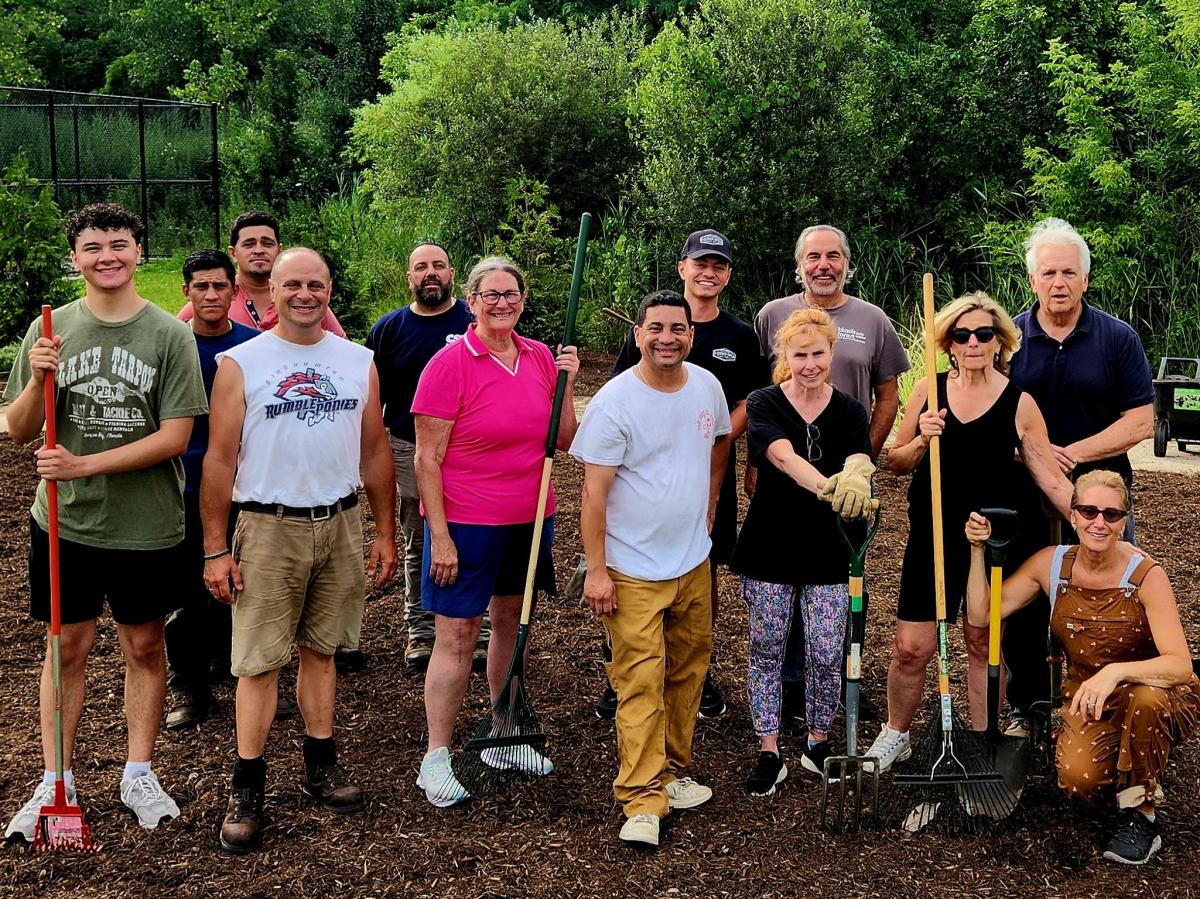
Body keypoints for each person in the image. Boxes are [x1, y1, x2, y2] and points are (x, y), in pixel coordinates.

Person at [4, 203, 207, 842]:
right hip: (66, 525)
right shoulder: (52, 330)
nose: (107, 256)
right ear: (75, 259)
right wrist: (41, 379)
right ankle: (54, 781)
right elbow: (16, 430)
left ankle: (138, 771)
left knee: (144, 647)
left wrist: (83, 462)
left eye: (119, 244)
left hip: (146, 525)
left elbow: (176, 436)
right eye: (92, 247)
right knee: (66, 648)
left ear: (139, 252)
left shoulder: (169, 337)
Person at [203, 247, 397, 854]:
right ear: (270, 291)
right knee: (259, 661)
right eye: (293, 285)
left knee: (323, 650)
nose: (305, 294)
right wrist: (215, 547)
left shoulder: (357, 361)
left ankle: (321, 764)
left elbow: (373, 451)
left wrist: (385, 531)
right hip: (267, 525)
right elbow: (219, 458)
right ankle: (248, 783)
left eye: (316, 284)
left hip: (338, 523)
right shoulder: (242, 363)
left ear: (330, 289)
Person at [866, 291, 1074, 771]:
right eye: (962, 335)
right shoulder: (928, 391)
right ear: (949, 344)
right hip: (933, 536)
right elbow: (894, 462)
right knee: (911, 646)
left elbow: (1048, 476)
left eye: (984, 333)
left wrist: (1092, 522)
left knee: (982, 641)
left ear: (1000, 341)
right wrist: (923, 436)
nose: (974, 342)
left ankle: (982, 740)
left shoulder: (1020, 402)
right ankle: (896, 733)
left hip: (994, 541)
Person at [965, 470, 1200, 865]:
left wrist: (1115, 672)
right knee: (1079, 781)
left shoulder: (1145, 576)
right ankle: (1132, 771)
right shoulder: (1052, 566)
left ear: (1124, 522)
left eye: (1111, 514)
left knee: (1146, 702)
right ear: (1072, 515)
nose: (1099, 522)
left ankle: (1141, 815)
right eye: (1089, 511)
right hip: (1089, 699)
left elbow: (1179, 664)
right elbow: (983, 613)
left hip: (1154, 692)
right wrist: (977, 551)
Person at [412, 256, 578, 807]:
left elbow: (563, 441)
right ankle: (436, 756)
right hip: (466, 521)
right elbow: (426, 460)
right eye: (491, 294)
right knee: (457, 636)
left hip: (530, 519)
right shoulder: (449, 363)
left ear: (523, 300)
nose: (502, 302)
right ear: (473, 299)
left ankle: (505, 731)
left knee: (513, 624)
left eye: (512, 294)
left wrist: (568, 383)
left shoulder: (538, 359)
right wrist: (440, 534)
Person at [571, 290, 732, 847]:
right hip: (633, 567)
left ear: (692, 334)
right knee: (639, 681)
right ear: (638, 335)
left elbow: (719, 443)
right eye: (656, 328)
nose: (668, 337)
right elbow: (593, 496)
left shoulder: (707, 386)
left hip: (692, 561)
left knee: (688, 672)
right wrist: (597, 570)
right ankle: (641, 797)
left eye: (678, 328)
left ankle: (674, 769)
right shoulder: (616, 402)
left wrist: (709, 505)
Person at [604, 228, 767, 719]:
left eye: (718, 265)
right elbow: (620, 394)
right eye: (701, 263)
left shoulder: (739, 336)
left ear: (728, 275)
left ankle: (696, 671)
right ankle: (624, 670)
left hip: (708, 469)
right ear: (683, 268)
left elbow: (749, 401)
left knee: (704, 566)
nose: (708, 272)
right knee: (629, 569)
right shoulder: (653, 326)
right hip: (643, 477)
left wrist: (719, 434)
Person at [1003, 217, 1156, 733]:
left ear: (1086, 279)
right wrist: (1037, 456)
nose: (1059, 283)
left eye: (1069, 272)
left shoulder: (1117, 338)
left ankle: (1107, 703)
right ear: (1032, 280)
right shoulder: (1009, 341)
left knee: (1112, 598)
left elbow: (1140, 420)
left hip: (1102, 495)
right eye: (1048, 273)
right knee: (1023, 602)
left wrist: (1070, 452)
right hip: (1023, 490)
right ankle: (1027, 707)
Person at [754, 225, 910, 722]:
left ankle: (841, 683)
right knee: (779, 591)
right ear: (799, 264)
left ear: (847, 263)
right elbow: (762, 398)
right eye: (814, 256)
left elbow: (888, 396)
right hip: (785, 480)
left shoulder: (873, 320)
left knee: (835, 588)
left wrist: (859, 465)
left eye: (834, 256)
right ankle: (790, 690)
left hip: (847, 481)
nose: (824, 264)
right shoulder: (771, 316)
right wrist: (756, 468)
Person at [730, 309, 876, 793]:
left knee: (826, 650)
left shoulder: (852, 410)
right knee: (767, 649)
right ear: (784, 356)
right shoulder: (763, 402)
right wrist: (830, 487)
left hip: (831, 549)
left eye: (818, 354)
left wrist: (857, 473)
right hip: (771, 542)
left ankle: (816, 740)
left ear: (832, 353)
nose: (809, 364)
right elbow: (782, 456)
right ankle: (768, 749)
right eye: (799, 354)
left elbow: (859, 452)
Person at [366, 242, 489, 672]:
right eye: (421, 267)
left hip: (471, 448)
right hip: (409, 448)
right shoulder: (388, 330)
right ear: (409, 277)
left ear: (452, 273)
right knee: (421, 536)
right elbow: (372, 401)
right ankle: (421, 629)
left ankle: (481, 627)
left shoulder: (474, 324)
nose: (430, 273)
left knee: (475, 534)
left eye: (438, 265)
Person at [164, 249, 258, 730]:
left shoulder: (254, 347)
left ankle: (245, 673)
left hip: (244, 490)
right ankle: (190, 685)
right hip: (181, 486)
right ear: (186, 291)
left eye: (220, 285)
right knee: (186, 589)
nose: (210, 294)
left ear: (235, 291)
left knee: (247, 584)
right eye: (200, 286)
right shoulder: (170, 346)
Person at [178, 211, 345, 336]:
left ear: (280, 250)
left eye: (267, 243)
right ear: (233, 253)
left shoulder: (301, 299)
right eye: (249, 244)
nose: (258, 250)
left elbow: (342, 349)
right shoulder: (213, 298)